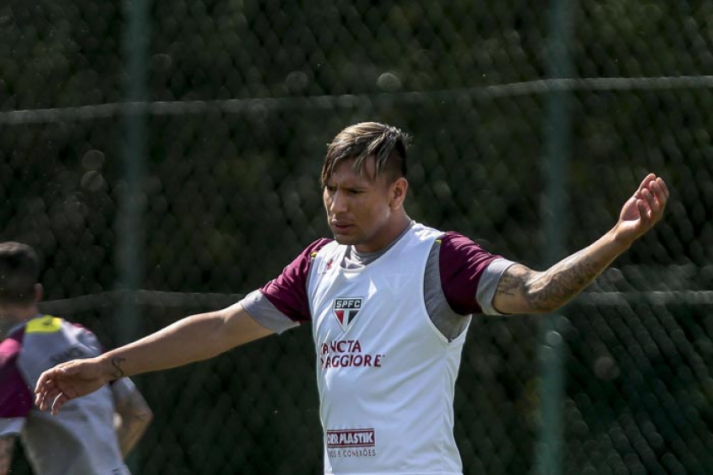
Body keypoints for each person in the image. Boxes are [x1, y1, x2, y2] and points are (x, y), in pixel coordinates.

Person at [34, 122, 669, 475]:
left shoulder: (441, 258)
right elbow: (224, 327)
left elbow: (537, 293)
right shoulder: (319, 263)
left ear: (397, 192)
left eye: (355, 192)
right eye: (330, 189)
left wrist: (617, 237)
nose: (338, 205)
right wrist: (107, 365)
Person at [0, 242, 153, 475]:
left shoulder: (11, 357)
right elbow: (138, 414)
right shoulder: (83, 337)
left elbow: (2, 451)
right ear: (38, 293)